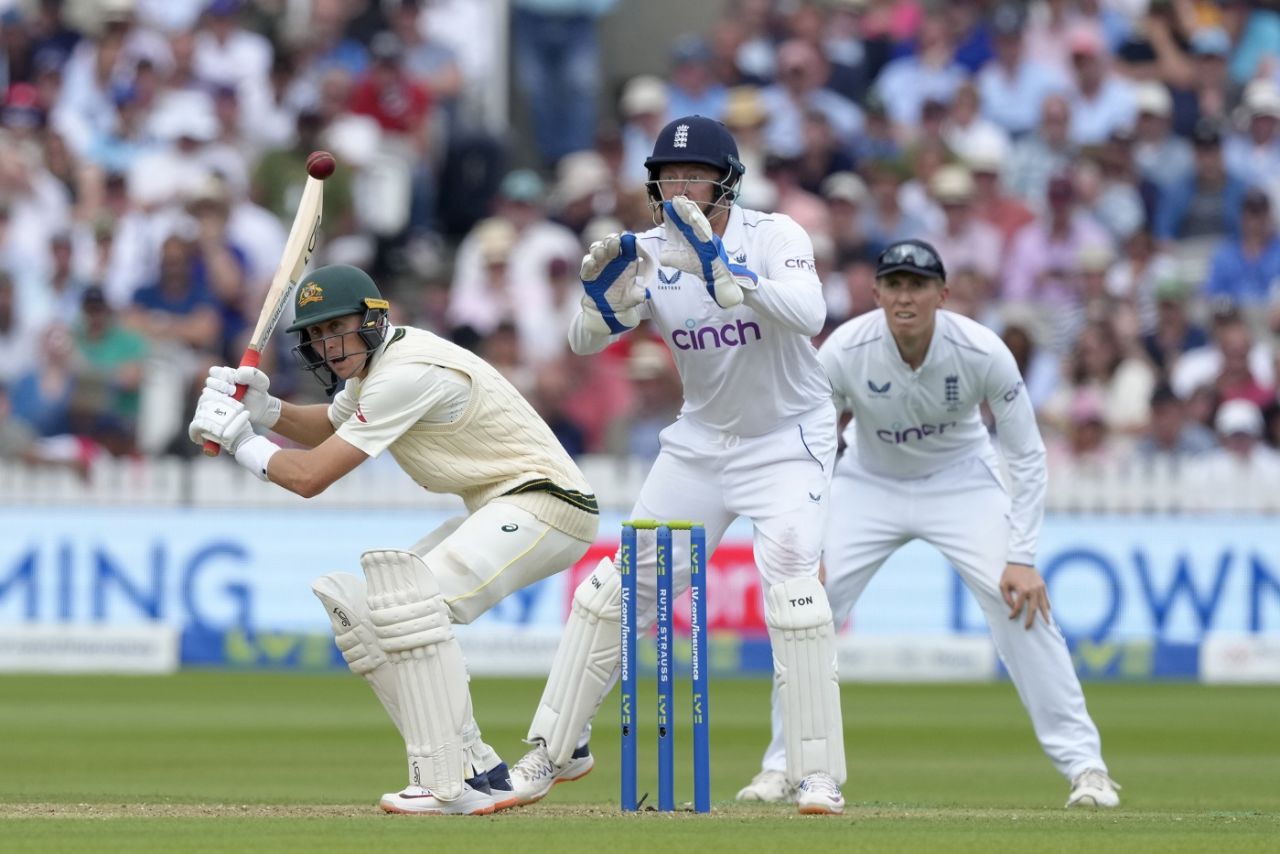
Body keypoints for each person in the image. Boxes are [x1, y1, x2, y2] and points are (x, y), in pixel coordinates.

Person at [508, 115, 847, 815]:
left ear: (727, 182)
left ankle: (816, 773)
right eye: (666, 176)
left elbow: (809, 313)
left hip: (788, 439)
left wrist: (730, 273)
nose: (678, 186)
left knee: (793, 591)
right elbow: (581, 341)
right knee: (611, 592)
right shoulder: (651, 250)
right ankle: (551, 751)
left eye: (692, 175)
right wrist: (600, 304)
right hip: (702, 442)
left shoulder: (774, 234)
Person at [186, 265, 599, 816]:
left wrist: (241, 439)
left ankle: (444, 781)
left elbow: (310, 477)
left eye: (338, 328)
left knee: (414, 608)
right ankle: (480, 768)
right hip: (502, 502)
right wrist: (266, 410)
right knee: (375, 616)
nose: (328, 346)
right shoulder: (374, 370)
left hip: (549, 504)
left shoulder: (405, 373)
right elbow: (333, 427)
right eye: (316, 334)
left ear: (374, 320)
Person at [737, 239, 1121, 810]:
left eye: (918, 285)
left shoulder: (982, 350)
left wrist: (1022, 556)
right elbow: (808, 446)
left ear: (943, 294)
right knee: (806, 610)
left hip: (960, 480)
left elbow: (1025, 454)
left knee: (1021, 606)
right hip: (868, 481)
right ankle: (784, 766)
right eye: (894, 285)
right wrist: (806, 539)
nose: (905, 297)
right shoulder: (845, 349)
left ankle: (1087, 768)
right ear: (876, 293)